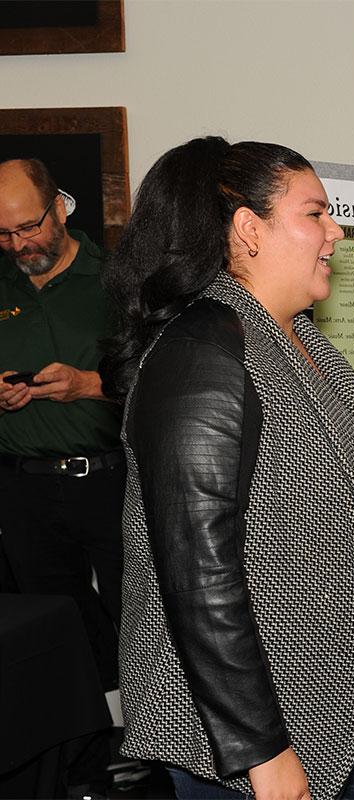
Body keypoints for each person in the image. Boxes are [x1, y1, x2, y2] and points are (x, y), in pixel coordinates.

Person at [100, 137, 354, 800]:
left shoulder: (297, 337)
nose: (335, 232)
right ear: (249, 229)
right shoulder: (200, 355)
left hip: (339, 695)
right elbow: (197, 572)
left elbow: (324, 482)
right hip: (245, 740)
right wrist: (264, 751)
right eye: (315, 213)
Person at [0, 157, 123, 794]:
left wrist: (88, 383)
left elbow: (158, 379)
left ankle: (155, 739)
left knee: (143, 612)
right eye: (4, 235)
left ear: (61, 207)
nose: (20, 245)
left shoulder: (118, 280)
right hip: (21, 487)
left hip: (109, 480)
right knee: (56, 628)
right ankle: (84, 762)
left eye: (29, 227)